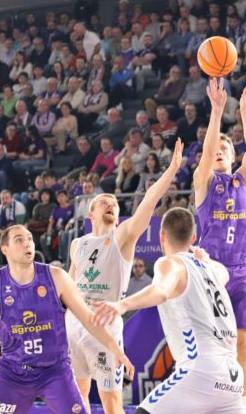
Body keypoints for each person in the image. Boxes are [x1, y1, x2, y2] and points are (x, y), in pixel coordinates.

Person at [0, 224, 133, 412]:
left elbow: (89, 319)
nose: (27, 243)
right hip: (13, 373)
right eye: (19, 240)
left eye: (29, 239)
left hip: (54, 371)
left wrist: (115, 349)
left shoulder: (56, 277)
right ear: (5, 249)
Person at [66, 140, 183, 412]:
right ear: (90, 212)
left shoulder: (122, 236)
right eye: (104, 201)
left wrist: (171, 170)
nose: (111, 204)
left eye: (115, 204)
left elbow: (149, 202)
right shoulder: (77, 244)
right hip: (74, 324)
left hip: (104, 323)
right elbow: (68, 289)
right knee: (76, 399)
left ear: (119, 217)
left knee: (111, 403)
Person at [92, 208, 245, 413]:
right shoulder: (212, 270)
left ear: (162, 236)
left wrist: (122, 305)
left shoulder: (170, 263)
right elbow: (224, 271)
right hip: (233, 378)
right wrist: (204, 258)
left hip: (201, 369)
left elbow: (161, 291)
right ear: (192, 238)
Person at [194, 78, 246, 403]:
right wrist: (217, 113)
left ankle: (241, 405)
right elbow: (207, 152)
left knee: (243, 342)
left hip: (240, 271)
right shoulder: (204, 182)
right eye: (216, 150)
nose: (219, 152)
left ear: (233, 156)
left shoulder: (243, 181)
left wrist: (244, 112)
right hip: (211, 272)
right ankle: (207, 399)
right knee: (211, 343)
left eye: (225, 149)